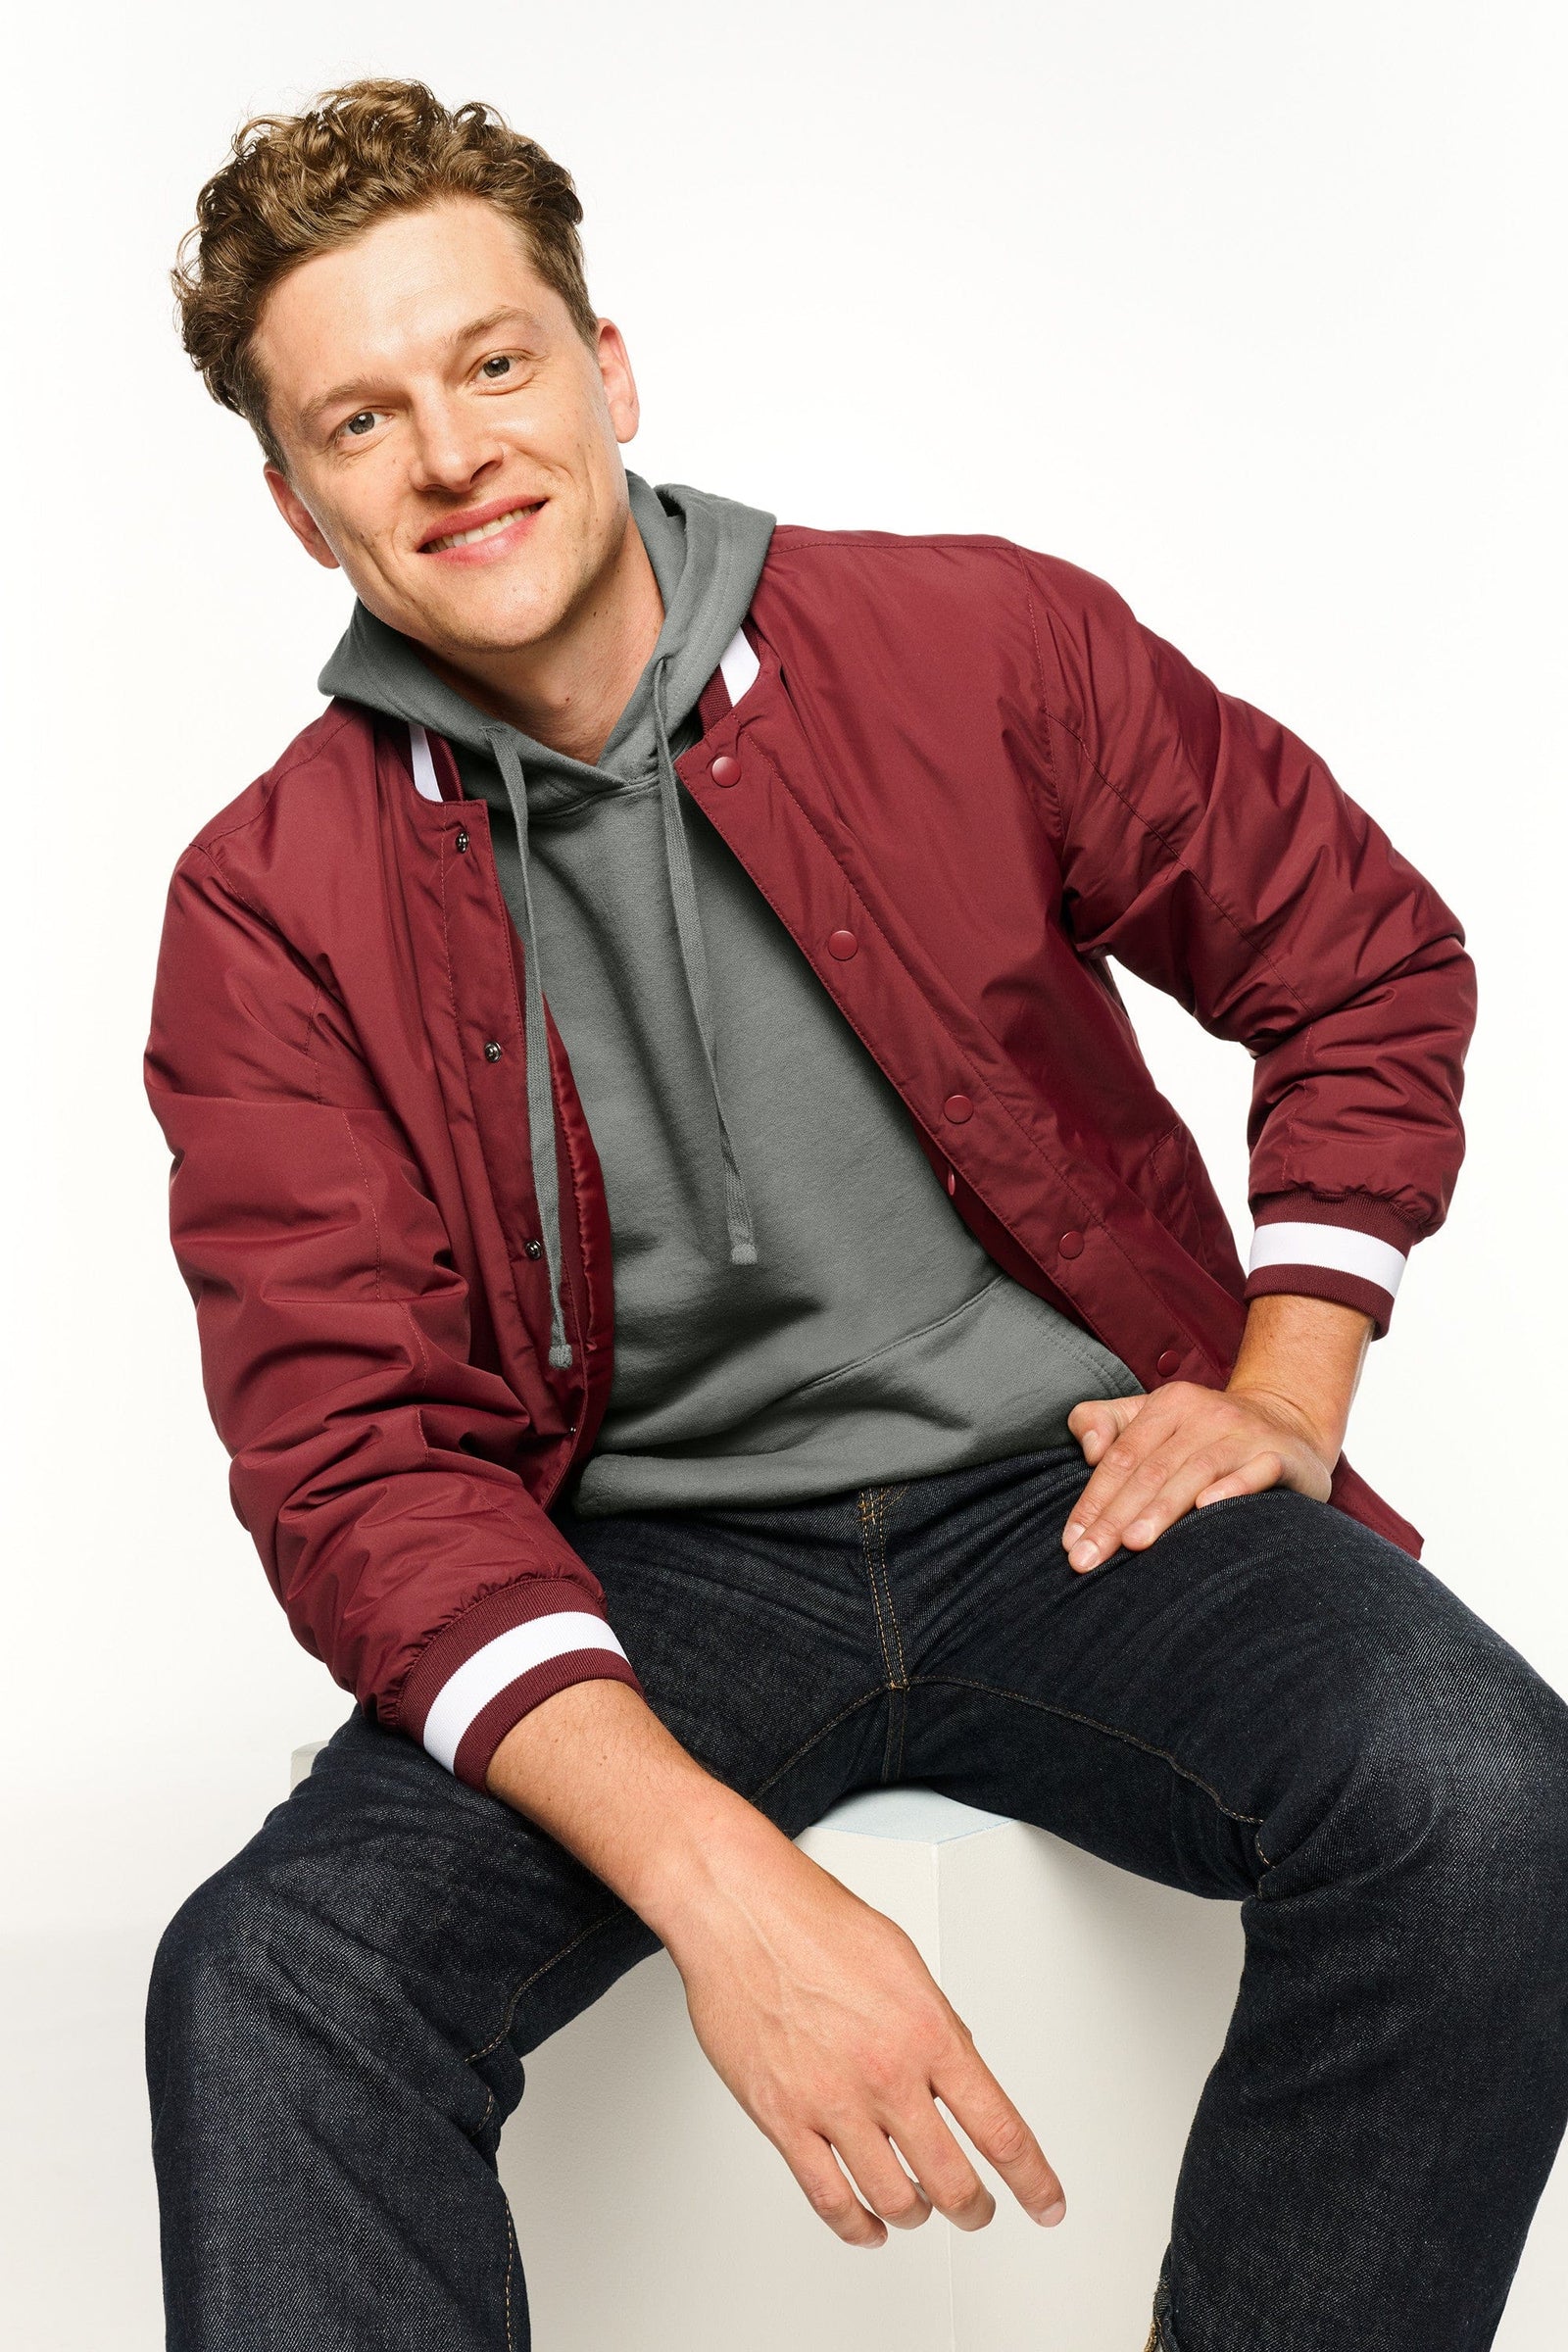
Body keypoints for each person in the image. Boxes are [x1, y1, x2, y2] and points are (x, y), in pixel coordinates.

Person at [141, 75, 1568, 2352]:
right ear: (304, 506)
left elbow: (1356, 955)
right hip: (639, 1572)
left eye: (493, 363)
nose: (449, 452)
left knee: (1487, 1797)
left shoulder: (972, 647)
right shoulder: (265, 904)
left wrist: (1283, 1375)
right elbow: (352, 1459)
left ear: (607, 373)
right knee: (270, 1984)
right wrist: (725, 1887)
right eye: (359, 419)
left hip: (1065, 1497)